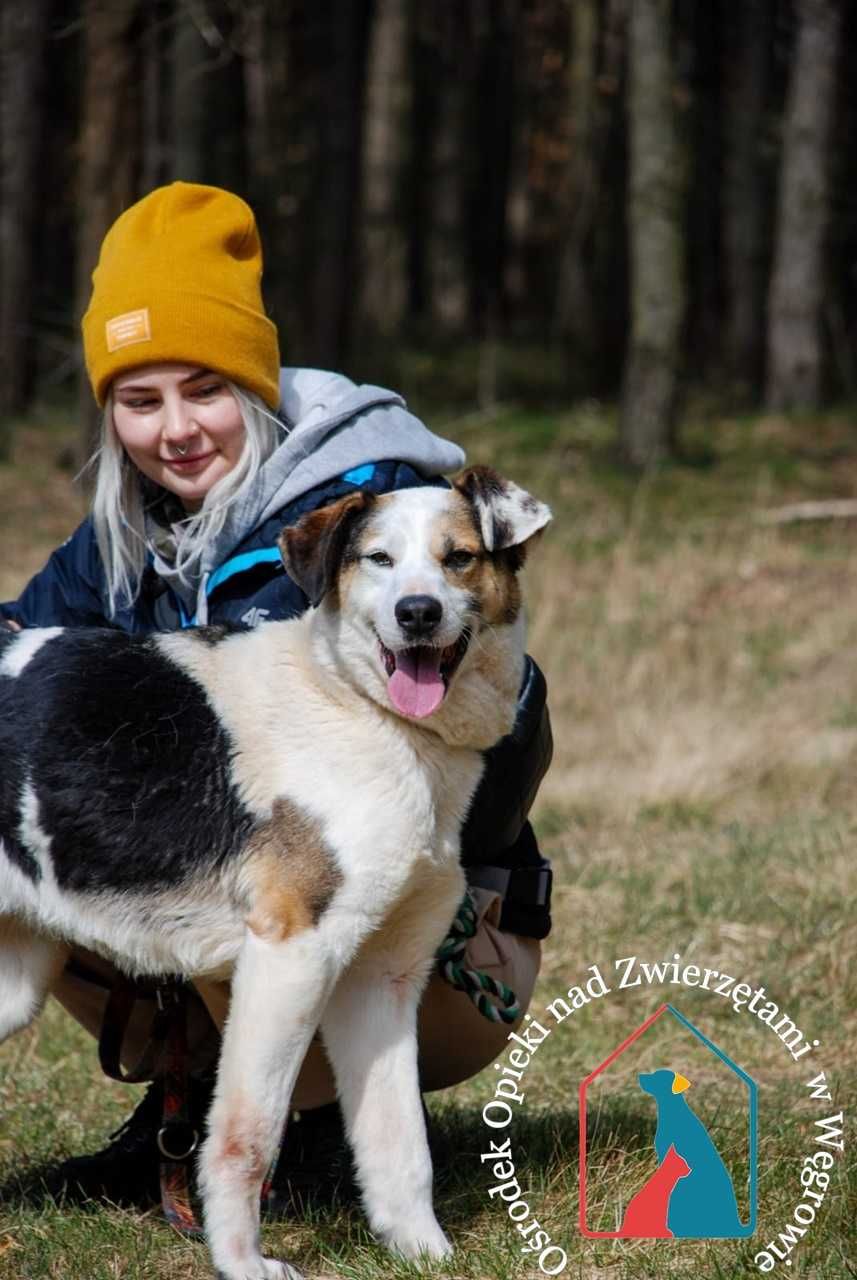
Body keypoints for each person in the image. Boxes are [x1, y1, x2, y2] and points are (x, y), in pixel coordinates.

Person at [0, 182, 552, 1208]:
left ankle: (310, 1138)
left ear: (253, 383)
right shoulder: (131, 533)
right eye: (138, 397)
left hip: (445, 950)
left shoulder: (377, 513)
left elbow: (506, 713)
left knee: (257, 853)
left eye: (202, 387)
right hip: (256, 912)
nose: (173, 429)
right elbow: (19, 650)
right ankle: (196, 1108)